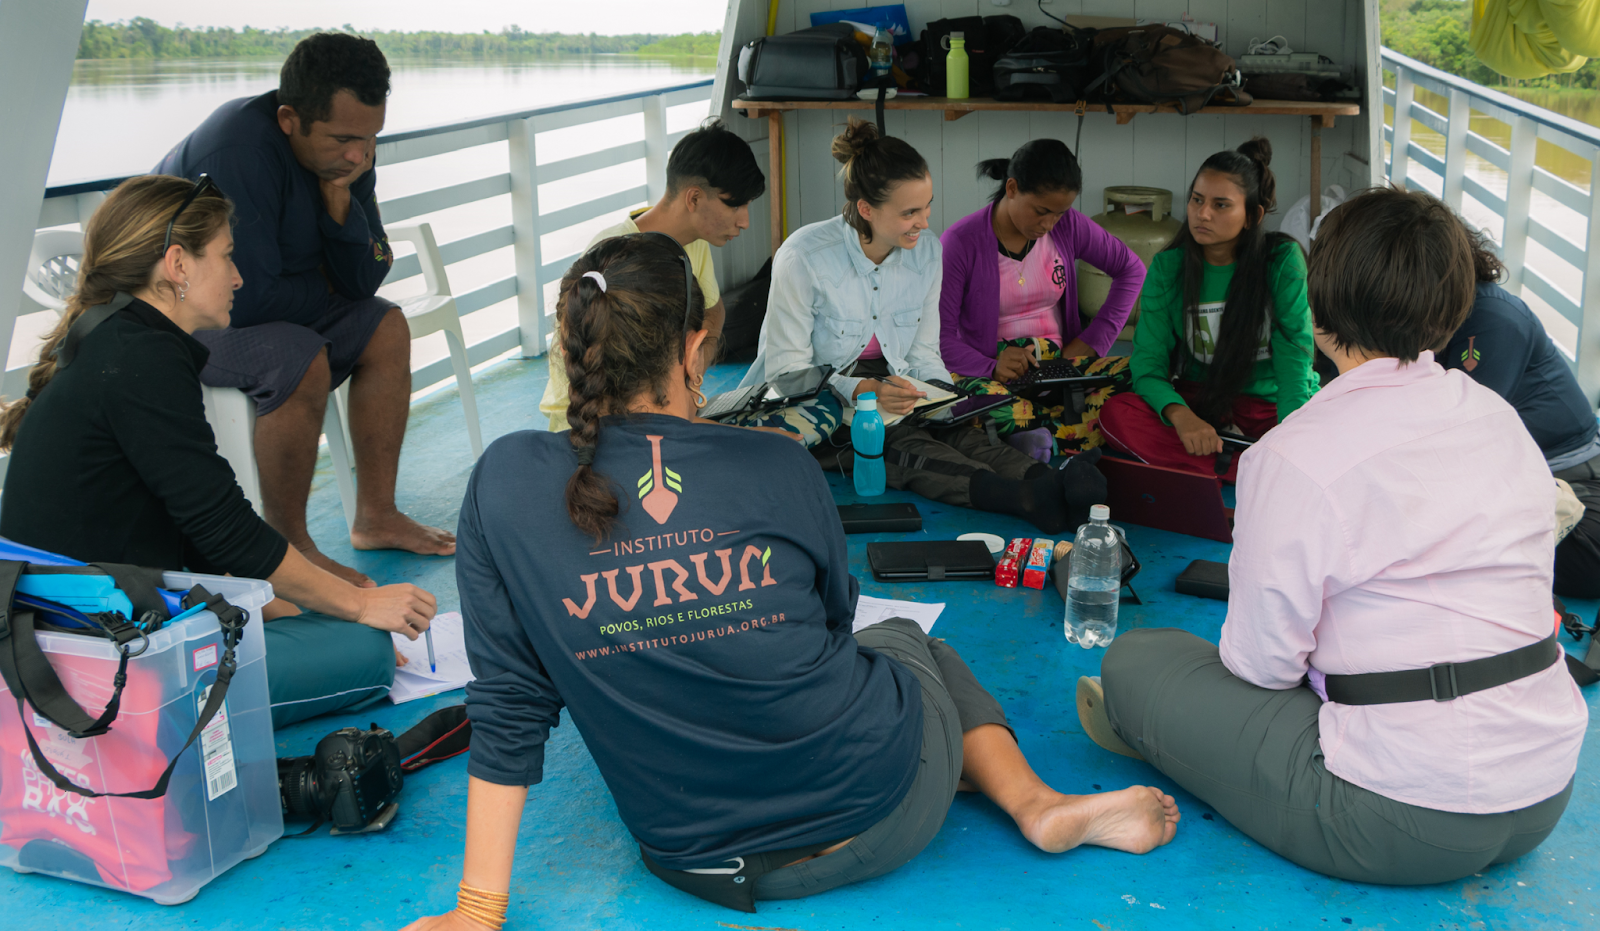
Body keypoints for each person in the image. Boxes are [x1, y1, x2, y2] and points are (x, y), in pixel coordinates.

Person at [400, 234, 1178, 931]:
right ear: (695, 350)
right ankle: (1036, 804)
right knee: (906, 641)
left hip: (689, 859)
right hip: (880, 815)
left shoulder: (503, 481)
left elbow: (510, 700)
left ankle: (983, 778)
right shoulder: (774, 461)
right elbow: (836, 623)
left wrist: (476, 913)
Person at [1081, 186, 1586, 885]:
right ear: (1452, 307)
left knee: (1138, 658)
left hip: (1395, 817)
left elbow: (1262, 667)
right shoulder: (1501, 421)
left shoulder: (1293, 455)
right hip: (1544, 792)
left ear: (1317, 306)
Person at [0, 176, 438, 728]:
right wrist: (359, 606)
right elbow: (224, 528)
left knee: (317, 621)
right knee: (367, 651)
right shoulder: (144, 358)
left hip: (64, 629)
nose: (238, 277)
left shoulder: (116, 338)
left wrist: (284, 607)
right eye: (227, 256)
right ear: (178, 265)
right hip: (98, 665)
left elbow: (190, 519)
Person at [155, 32, 452, 588]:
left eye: (370, 138)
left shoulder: (349, 159)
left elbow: (368, 275)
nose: (359, 155)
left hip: (268, 303)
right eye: (343, 139)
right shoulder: (237, 152)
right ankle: (290, 548)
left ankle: (377, 516)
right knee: (299, 355)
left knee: (386, 326)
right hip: (181, 316)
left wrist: (340, 204)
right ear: (289, 119)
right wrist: (327, 282)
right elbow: (248, 298)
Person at [738, 119, 1105, 535]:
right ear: (866, 209)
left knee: (953, 431)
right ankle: (1022, 497)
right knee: (901, 446)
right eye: (910, 213)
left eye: (926, 206)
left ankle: (1049, 480)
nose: (925, 223)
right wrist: (864, 389)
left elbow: (923, 352)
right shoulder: (804, 257)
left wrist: (939, 398)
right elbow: (787, 372)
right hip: (816, 398)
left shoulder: (926, 252)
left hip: (891, 379)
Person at [1096, 139, 1318, 481]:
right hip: (1201, 404)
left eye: (1221, 205)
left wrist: (1291, 439)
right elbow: (1149, 365)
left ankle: (1237, 465)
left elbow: (1294, 366)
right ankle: (1258, 470)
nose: (1202, 214)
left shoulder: (1281, 261)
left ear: (1252, 216)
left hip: (1270, 406)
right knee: (1117, 414)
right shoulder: (1168, 268)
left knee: (1331, 428)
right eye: (1197, 200)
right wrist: (1182, 417)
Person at [539, 119, 766, 432]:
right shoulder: (611, 255)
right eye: (735, 206)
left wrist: (694, 368)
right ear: (694, 198)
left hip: (659, 416)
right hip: (589, 424)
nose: (745, 221)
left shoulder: (695, 243)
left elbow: (713, 311)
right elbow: (582, 367)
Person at [939, 139, 1147, 453]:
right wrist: (991, 366)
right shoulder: (960, 242)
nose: (1049, 224)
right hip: (993, 374)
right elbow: (940, 339)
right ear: (1011, 188)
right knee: (975, 399)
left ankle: (1030, 434)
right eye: (1041, 211)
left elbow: (1131, 269)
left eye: (1059, 214)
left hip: (1060, 367)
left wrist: (1092, 342)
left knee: (1144, 374)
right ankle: (1079, 430)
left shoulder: (1069, 226)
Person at [1439, 238, 1600, 602]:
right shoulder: (1445, 316)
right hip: (1523, 476)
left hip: (1576, 480)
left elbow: (1461, 443)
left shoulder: (1491, 318)